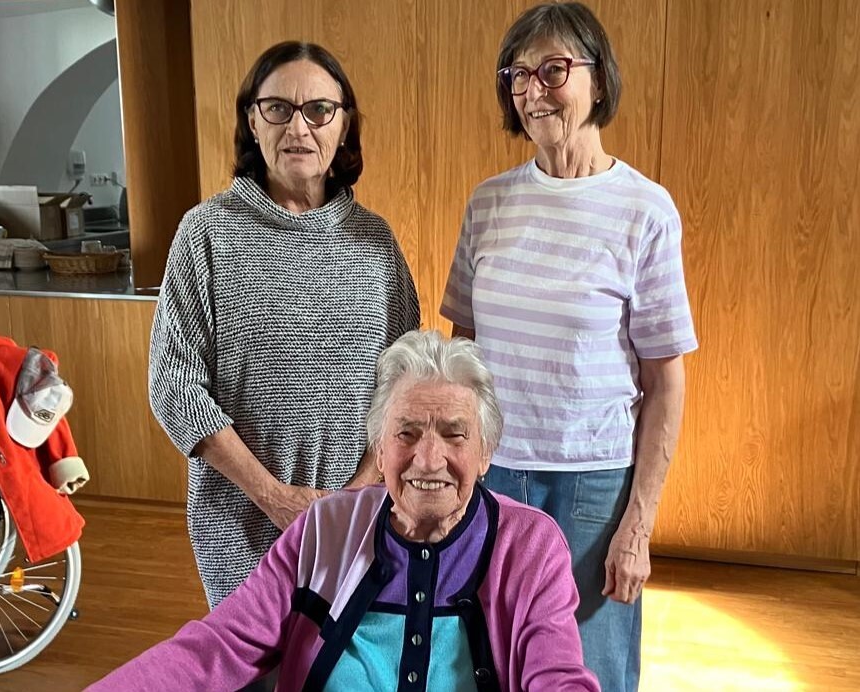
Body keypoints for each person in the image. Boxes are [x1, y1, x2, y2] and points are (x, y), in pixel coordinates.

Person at [91, 330, 599, 691]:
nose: (428, 458)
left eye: (454, 435)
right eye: (406, 433)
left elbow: (556, 675)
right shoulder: (327, 528)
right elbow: (218, 646)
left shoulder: (529, 546)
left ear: (485, 453)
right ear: (379, 448)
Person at [441, 4, 698, 691]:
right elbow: (463, 353)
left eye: (553, 69)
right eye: (518, 75)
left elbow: (666, 381)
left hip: (594, 488)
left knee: (590, 672)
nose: (533, 90)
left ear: (598, 78)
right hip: (493, 477)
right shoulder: (488, 204)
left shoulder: (645, 210)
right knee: (484, 661)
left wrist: (638, 526)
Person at [148, 40, 421, 609]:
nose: (299, 127)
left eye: (319, 110)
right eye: (278, 108)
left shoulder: (375, 242)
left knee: (346, 652)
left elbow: (404, 384)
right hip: (238, 524)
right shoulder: (207, 232)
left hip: (357, 519)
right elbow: (175, 389)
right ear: (253, 121)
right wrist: (273, 496)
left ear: (343, 126)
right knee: (256, 655)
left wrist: (359, 493)